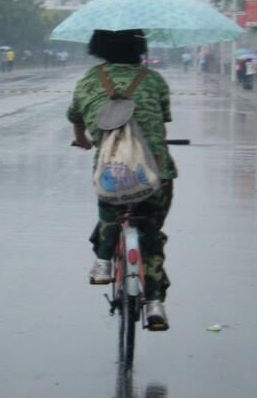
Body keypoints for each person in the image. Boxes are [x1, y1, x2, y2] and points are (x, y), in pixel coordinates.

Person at [67, 29, 177, 330]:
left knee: (110, 207)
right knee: (151, 234)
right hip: (155, 174)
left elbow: (76, 118)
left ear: (97, 47)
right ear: (140, 47)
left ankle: (103, 260)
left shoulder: (89, 81)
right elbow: (161, 128)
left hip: (112, 172)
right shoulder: (153, 80)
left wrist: (84, 140)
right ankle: (155, 304)